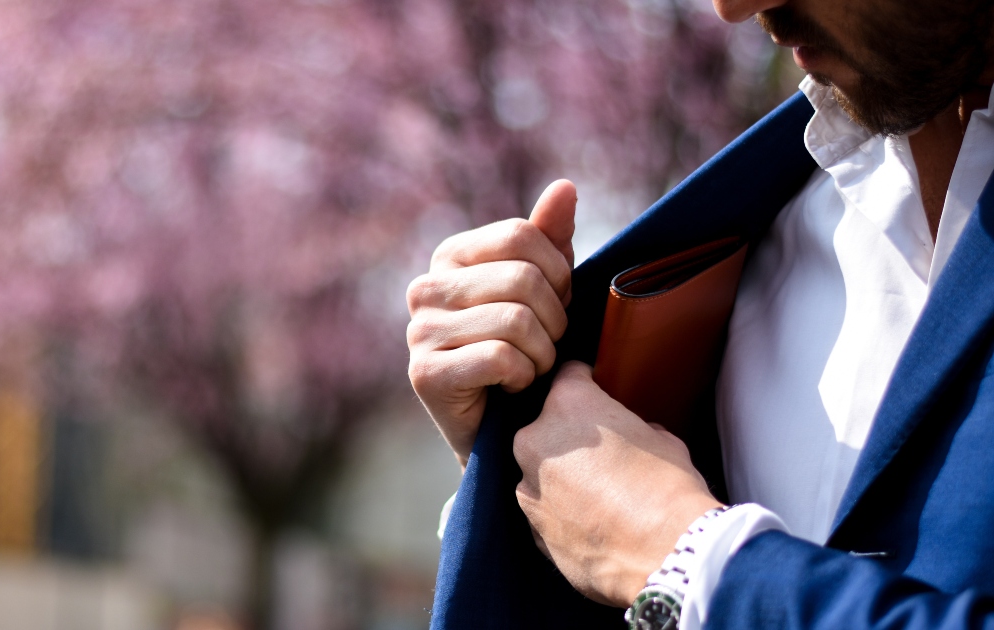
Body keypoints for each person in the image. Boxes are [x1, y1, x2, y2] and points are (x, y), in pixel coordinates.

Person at [407, 0, 994, 628]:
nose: (731, 8)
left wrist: (681, 558)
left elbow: (667, 562)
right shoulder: (759, 223)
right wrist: (509, 477)